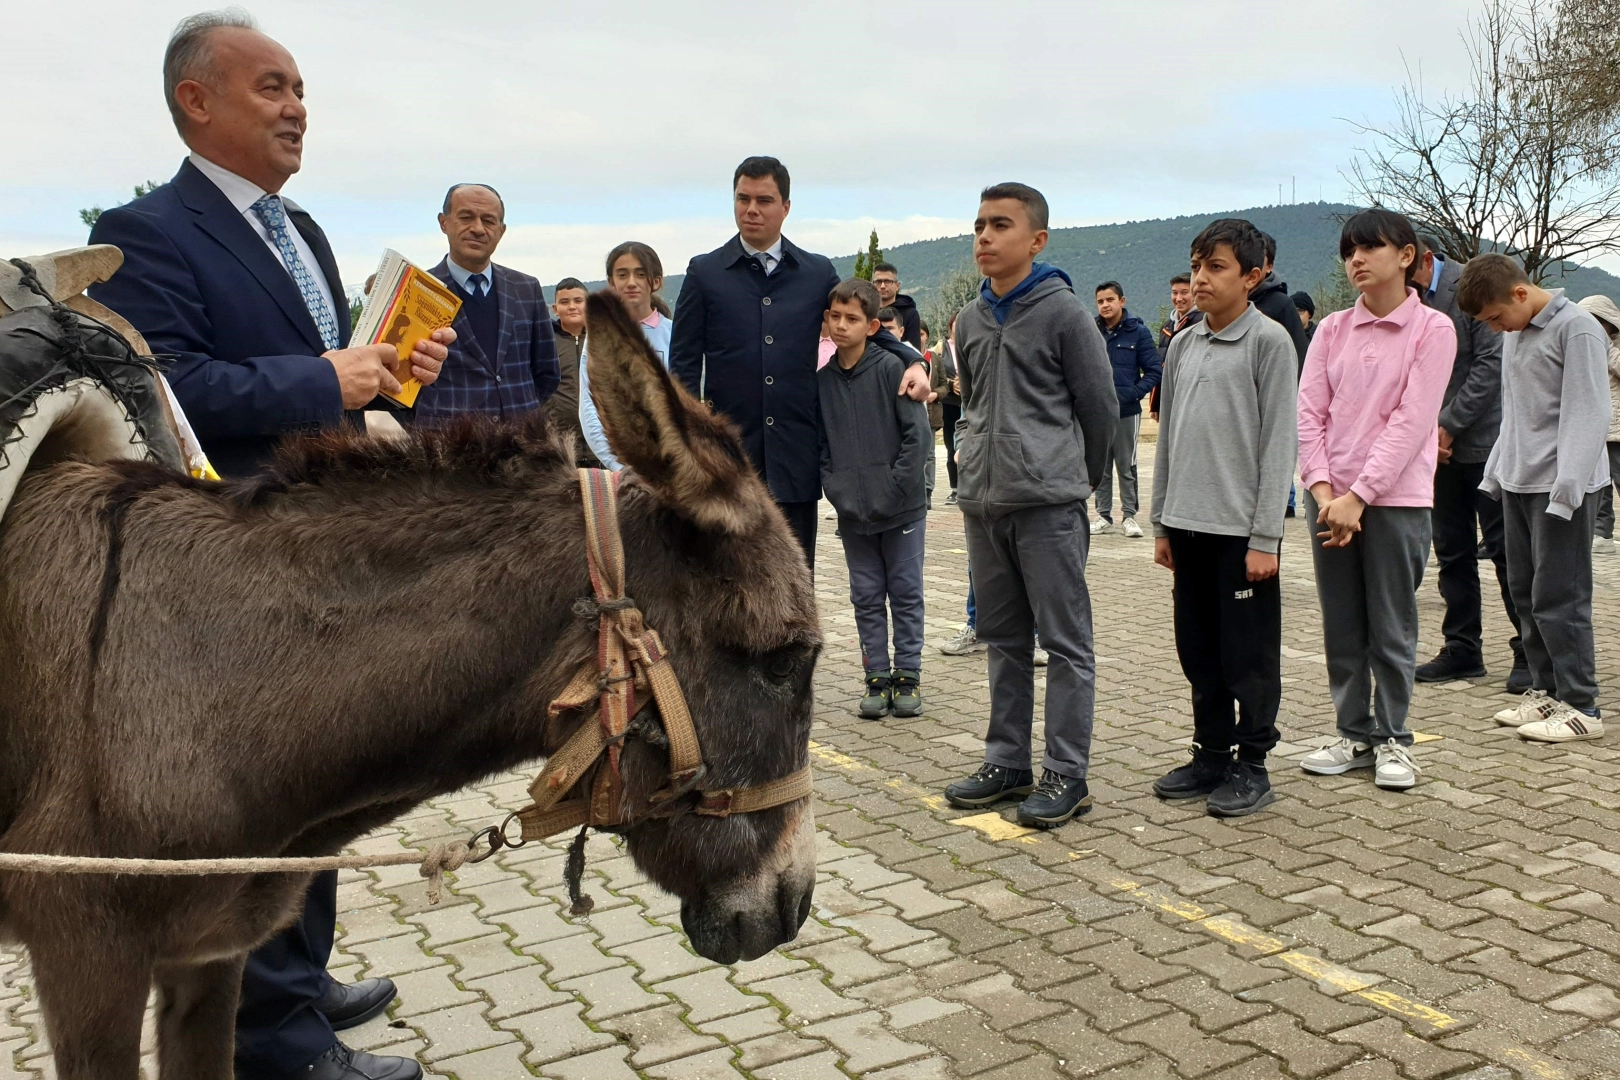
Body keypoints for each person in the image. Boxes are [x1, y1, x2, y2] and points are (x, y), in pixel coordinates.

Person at [87, 12, 446, 1079]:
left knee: (319, 781)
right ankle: (276, 1038)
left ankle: (304, 977)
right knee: (265, 798)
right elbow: (164, 384)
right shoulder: (145, 231)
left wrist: (388, 367)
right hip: (231, 563)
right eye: (272, 88)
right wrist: (325, 378)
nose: (298, 109)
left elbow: (321, 367)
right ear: (196, 101)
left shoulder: (305, 233)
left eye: (301, 91)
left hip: (315, 548)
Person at [941, 182, 1116, 829]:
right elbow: (973, 405)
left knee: (1066, 645)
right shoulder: (971, 318)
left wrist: (1077, 479)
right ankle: (1006, 762)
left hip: (1049, 505)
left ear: (1036, 240)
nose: (985, 236)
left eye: (1001, 225)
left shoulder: (1065, 313)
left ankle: (1067, 774)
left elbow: (1098, 408)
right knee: (1003, 640)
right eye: (980, 224)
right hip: (984, 505)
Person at [670, 156, 931, 567]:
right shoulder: (705, 273)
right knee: (726, 578)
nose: (751, 209)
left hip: (795, 454)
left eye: (764, 200)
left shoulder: (815, 272)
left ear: (786, 207)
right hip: (729, 457)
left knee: (794, 577)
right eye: (743, 199)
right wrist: (685, 440)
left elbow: (863, 321)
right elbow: (682, 364)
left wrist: (915, 362)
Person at [1296, 209, 1455, 791]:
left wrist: (1359, 495)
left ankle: (1393, 737)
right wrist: (1322, 491)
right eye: (1349, 251)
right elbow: (1309, 413)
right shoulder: (1332, 329)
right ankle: (1353, 731)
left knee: (1390, 622)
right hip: (1329, 499)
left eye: (1370, 248)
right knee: (1343, 621)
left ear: (1406, 256)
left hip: (1394, 501)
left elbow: (1413, 421)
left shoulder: (1432, 330)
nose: (1356, 260)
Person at [1150, 218, 1297, 816]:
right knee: (1199, 651)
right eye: (1196, 266)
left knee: (1248, 657)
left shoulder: (1269, 342)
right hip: (1187, 527)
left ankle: (1253, 761)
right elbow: (1168, 441)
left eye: (1216, 267)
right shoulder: (1182, 345)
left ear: (1253, 276)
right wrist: (1161, 521)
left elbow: (1277, 444)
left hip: (1241, 535)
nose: (1200, 279)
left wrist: (1266, 538)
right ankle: (1210, 751)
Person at [1460, 256, 1613, 742]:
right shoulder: (1514, 334)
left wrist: (1568, 488)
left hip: (1561, 488)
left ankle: (1581, 705)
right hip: (1519, 483)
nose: (1493, 326)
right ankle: (1546, 691)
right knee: (1526, 593)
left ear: (1520, 294)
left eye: (1494, 315)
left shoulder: (1579, 329)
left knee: (1560, 597)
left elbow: (1589, 412)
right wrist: (1495, 473)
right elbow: (1517, 413)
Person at [1409, 239, 1522, 689]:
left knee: (1505, 550)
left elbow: (1489, 367)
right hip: (1437, 449)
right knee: (1452, 551)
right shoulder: (1409, 300)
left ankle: (1529, 649)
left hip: (1483, 443)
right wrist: (1426, 433)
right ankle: (1461, 648)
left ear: (1422, 259)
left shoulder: (1468, 286)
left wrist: (1447, 426)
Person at [820, 278, 931, 719]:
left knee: (905, 592)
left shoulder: (892, 369)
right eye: (835, 317)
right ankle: (876, 676)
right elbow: (822, 448)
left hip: (901, 509)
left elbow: (917, 438)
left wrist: (894, 487)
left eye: (852, 319)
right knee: (865, 595)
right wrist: (837, 488)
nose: (841, 325)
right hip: (853, 513)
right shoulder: (822, 383)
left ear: (871, 326)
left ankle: (908, 676)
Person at [416, 183, 558, 423]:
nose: (478, 229)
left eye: (489, 221)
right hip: (447, 446)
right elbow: (400, 381)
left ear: (501, 231)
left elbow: (547, 373)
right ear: (443, 222)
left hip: (521, 443)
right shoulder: (420, 290)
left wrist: (522, 409)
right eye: (466, 217)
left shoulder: (526, 288)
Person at [581, 242, 673, 470]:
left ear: (656, 281)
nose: (631, 282)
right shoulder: (598, 338)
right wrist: (618, 466)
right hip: (620, 469)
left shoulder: (676, 333)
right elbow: (589, 407)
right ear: (611, 283)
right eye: (622, 275)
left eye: (641, 274)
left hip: (673, 465)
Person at [1090, 281, 1161, 537]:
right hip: (1096, 413)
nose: (1105, 305)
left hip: (1126, 411)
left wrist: (1133, 393)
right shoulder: (1090, 331)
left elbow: (1154, 371)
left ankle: (1129, 516)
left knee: (1126, 464)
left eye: (1110, 299)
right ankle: (1102, 515)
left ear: (1122, 301)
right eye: (1100, 301)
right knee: (1100, 464)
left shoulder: (1138, 333)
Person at [1582, 295, 1620, 555]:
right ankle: (1602, 532)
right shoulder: (1583, 346)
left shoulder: (1612, 347)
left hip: (1618, 432)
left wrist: (1607, 348)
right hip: (1595, 429)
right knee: (1600, 485)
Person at [546, 277, 598, 465]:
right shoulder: (545, 342)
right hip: (559, 447)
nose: (572, 307)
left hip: (601, 447)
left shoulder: (602, 341)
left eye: (578, 301)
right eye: (564, 302)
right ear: (555, 309)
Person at [1250, 233, 1312, 367]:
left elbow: (1299, 356)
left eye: (1258, 259)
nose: (1250, 264)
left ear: (1269, 266)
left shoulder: (1281, 305)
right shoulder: (1228, 304)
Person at [1152, 273, 1202, 419]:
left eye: (1184, 293)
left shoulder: (1203, 323)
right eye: (1174, 293)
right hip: (1168, 399)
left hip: (1191, 401)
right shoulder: (1167, 327)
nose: (1178, 298)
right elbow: (1161, 366)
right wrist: (1156, 402)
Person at [935, 313, 963, 506]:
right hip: (950, 403)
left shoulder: (972, 343)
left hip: (972, 401)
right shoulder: (940, 348)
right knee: (951, 445)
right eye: (956, 321)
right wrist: (953, 383)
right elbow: (937, 375)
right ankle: (955, 488)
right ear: (950, 324)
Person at [872, 262, 922, 347]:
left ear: (897, 286)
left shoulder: (910, 314)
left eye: (887, 281)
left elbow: (914, 350)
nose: (882, 286)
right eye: (878, 282)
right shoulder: (868, 312)